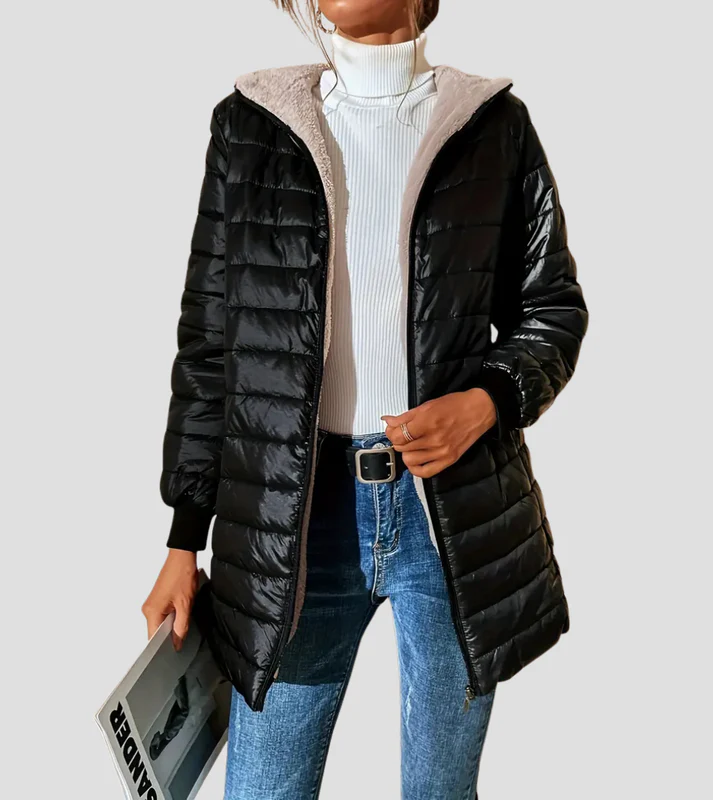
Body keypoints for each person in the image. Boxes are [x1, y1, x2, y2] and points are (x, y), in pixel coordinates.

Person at [142, 1, 589, 797]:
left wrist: (486, 400)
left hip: (450, 513)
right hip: (293, 520)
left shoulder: (492, 126)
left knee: (439, 790)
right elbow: (212, 344)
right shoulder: (252, 128)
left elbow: (551, 309)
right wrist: (184, 539)